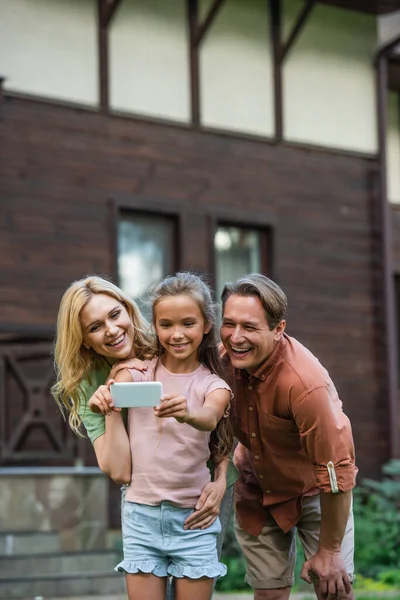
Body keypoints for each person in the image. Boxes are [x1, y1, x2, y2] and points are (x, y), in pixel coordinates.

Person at [52, 275, 236, 599]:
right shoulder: (97, 381)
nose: (110, 330)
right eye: (95, 327)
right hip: (143, 504)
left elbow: (219, 423)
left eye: (113, 315)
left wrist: (221, 479)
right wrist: (110, 404)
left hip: (197, 498)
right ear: (83, 339)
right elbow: (121, 471)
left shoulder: (169, 341)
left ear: (128, 309)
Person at [219, 274, 357, 600]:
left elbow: (336, 472)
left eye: (250, 327)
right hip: (256, 488)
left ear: (278, 329)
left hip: (315, 492)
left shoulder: (305, 384)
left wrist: (330, 550)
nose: (235, 338)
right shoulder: (220, 361)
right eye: (229, 324)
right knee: (269, 595)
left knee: (334, 588)